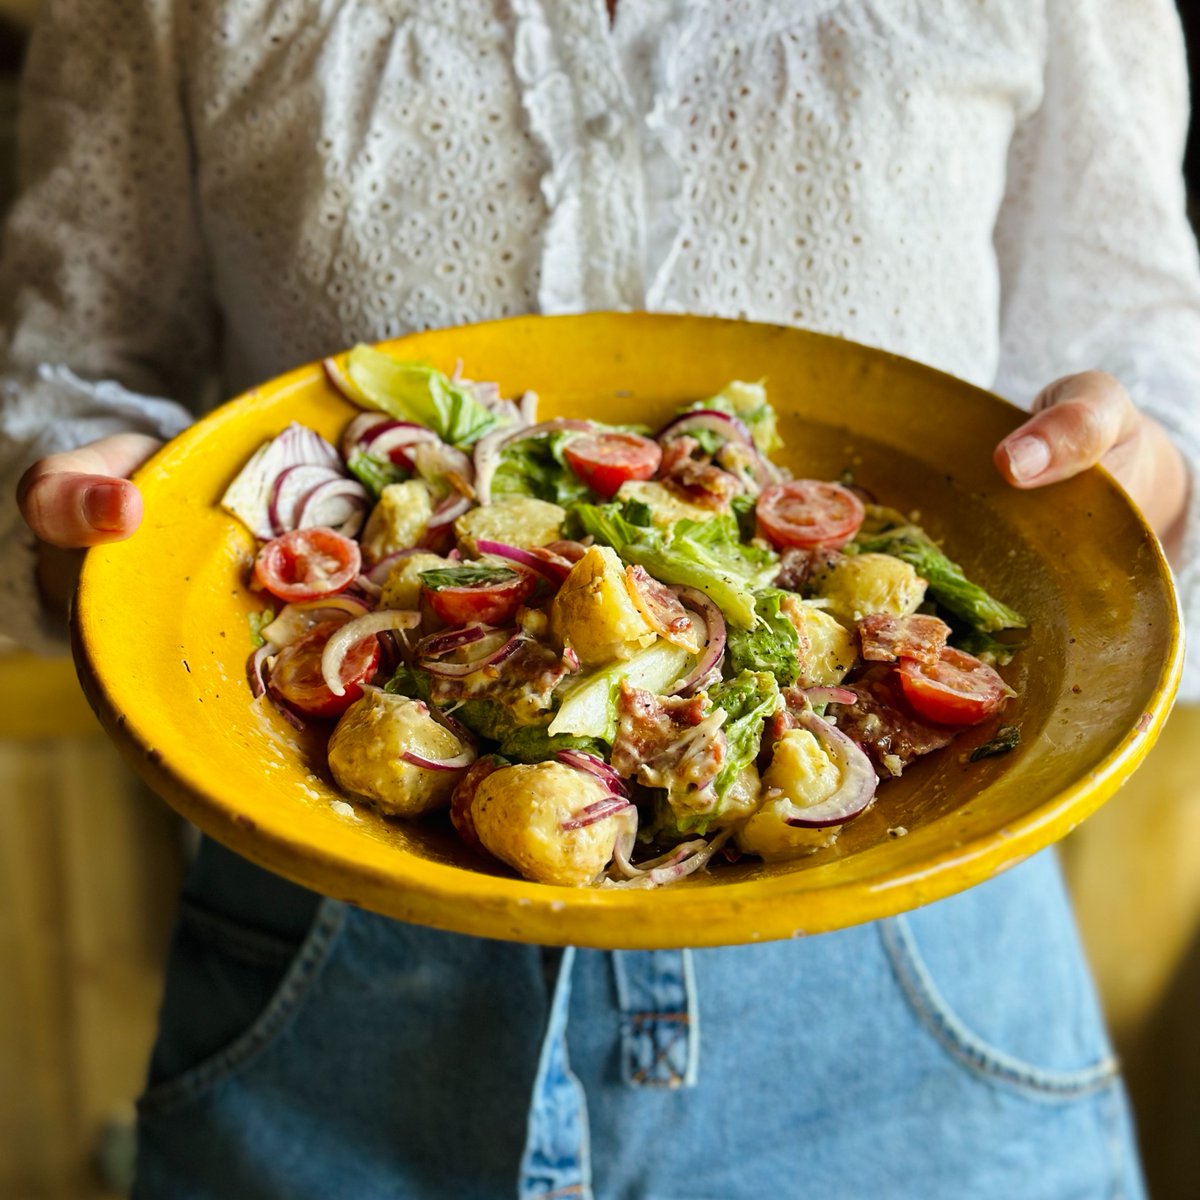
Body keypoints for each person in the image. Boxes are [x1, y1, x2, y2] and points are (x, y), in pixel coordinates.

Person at [3, 1, 1199, 1196]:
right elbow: (72, 373)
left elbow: (1147, 371)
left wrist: (1132, 491)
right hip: (344, 996)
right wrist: (97, 526)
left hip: (912, 992)